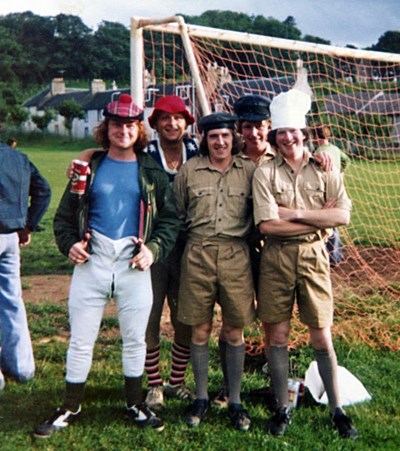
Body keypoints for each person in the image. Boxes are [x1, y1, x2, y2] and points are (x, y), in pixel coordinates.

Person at [34, 94, 179, 438]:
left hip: (133, 261)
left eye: (130, 125)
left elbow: (170, 221)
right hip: (94, 259)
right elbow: (64, 218)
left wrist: (154, 250)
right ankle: (71, 404)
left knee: (135, 339)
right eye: (116, 124)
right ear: (106, 127)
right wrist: (69, 244)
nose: (123, 131)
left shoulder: (152, 171)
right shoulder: (89, 167)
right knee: (82, 338)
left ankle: (134, 402)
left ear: (138, 129)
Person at [69, 95, 199, 410]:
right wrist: (85, 156)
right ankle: (154, 384)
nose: (172, 123)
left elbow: (242, 147)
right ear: (153, 124)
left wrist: (323, 152)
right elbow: (110, 153)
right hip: (146, 245)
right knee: (149, 316)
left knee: (186, 316)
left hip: (189, 244)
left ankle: (177, 380)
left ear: (187, 122)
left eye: (178, 117)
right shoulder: (146, 154)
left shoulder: (198, 149)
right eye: (165, 117)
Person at [252, 87, 358, 439]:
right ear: (275, 136)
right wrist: (318, 217)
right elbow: (267, 224)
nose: (287, 137)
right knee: (278, 337)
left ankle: (337, 409)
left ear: (304, 132)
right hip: (276, 257)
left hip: (314, 256)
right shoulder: (265, 173)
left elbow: (342, 215)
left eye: (293, 131)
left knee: (321, 336)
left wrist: (296, 213)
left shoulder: (325, 168)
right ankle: (282, 406)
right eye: (281, 132)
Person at [173, 112, 256, 431]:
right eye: (212, 137)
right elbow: (178, 214)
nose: (219, 142)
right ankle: (202, 398)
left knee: (234, 331)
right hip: (198, 254)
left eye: (224, 136)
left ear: (232, 137)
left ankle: (234, 400)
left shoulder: (248, 170)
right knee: (199, 330)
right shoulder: (189, 171)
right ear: (203, 139)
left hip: (236, 256)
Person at [0, 140, 51, 390]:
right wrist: (28, 224)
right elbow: (43, 191)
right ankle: (22, 367)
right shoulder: (18, 158)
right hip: (10, 236)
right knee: (11, 300)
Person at [312, 124, 351, 265]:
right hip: (336, 187)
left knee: (325, 220)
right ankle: (336, 254)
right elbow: (347, 160)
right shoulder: (335, 149)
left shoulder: (318, 152)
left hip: (323, 188)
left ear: (316, 137)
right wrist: (341, 173)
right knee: (334, 221)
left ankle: (328, 255)